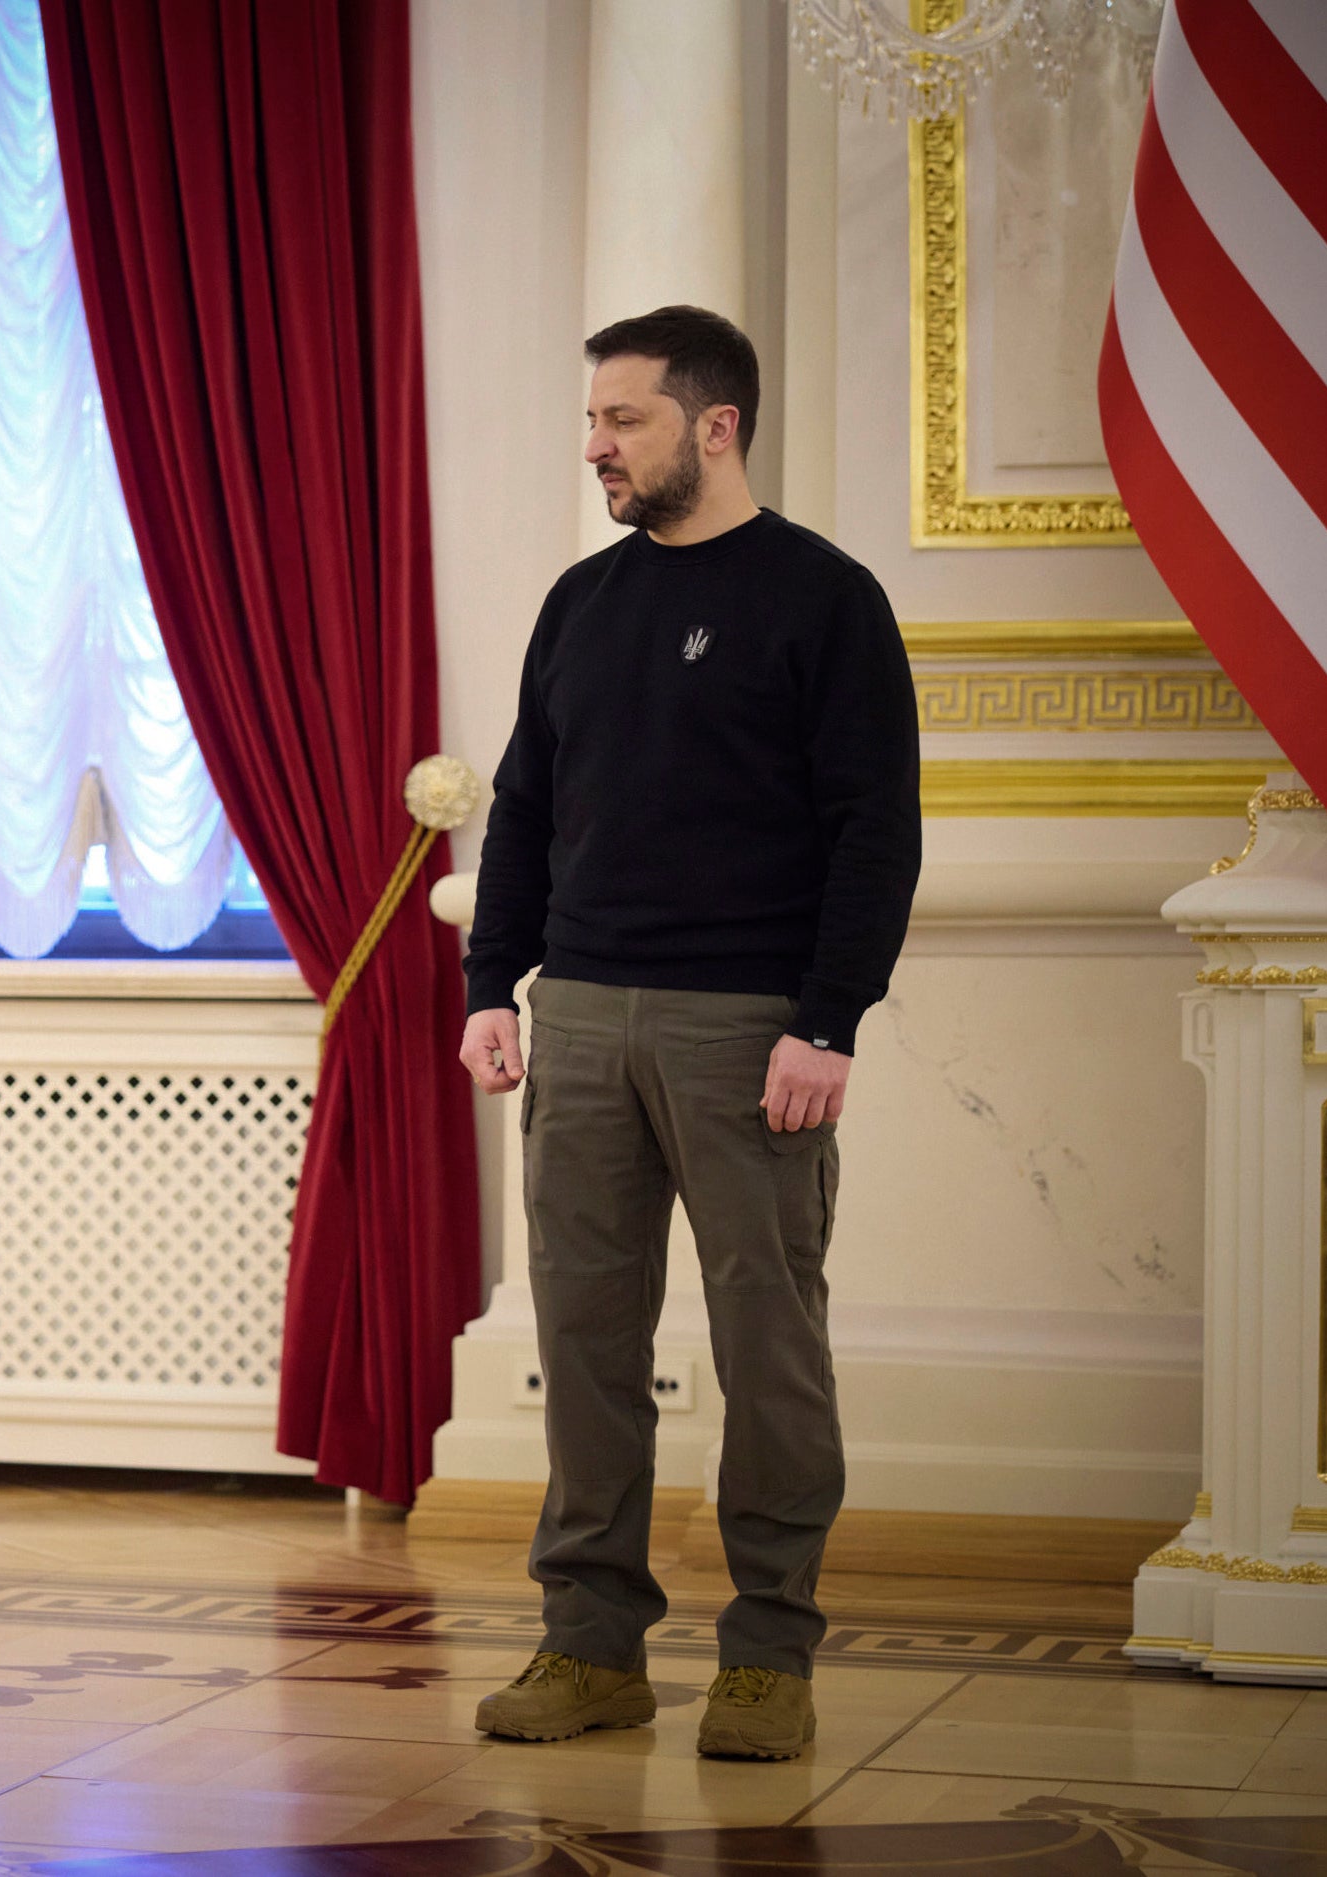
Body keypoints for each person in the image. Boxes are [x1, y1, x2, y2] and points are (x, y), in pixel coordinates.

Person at [456, 306, 919, 1761]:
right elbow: (525, 805)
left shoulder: (822, 600)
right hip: (578, 1017)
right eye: (591, 419)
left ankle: (768, 1654)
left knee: (766, 1344)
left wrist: (825, 1022)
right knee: (585, 1342)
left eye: (622, 419)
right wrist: (490, 981)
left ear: (712, 425)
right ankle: (589, 1645)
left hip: (749, 1034)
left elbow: (874, 833)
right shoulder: (579, 604)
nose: (593, 443)